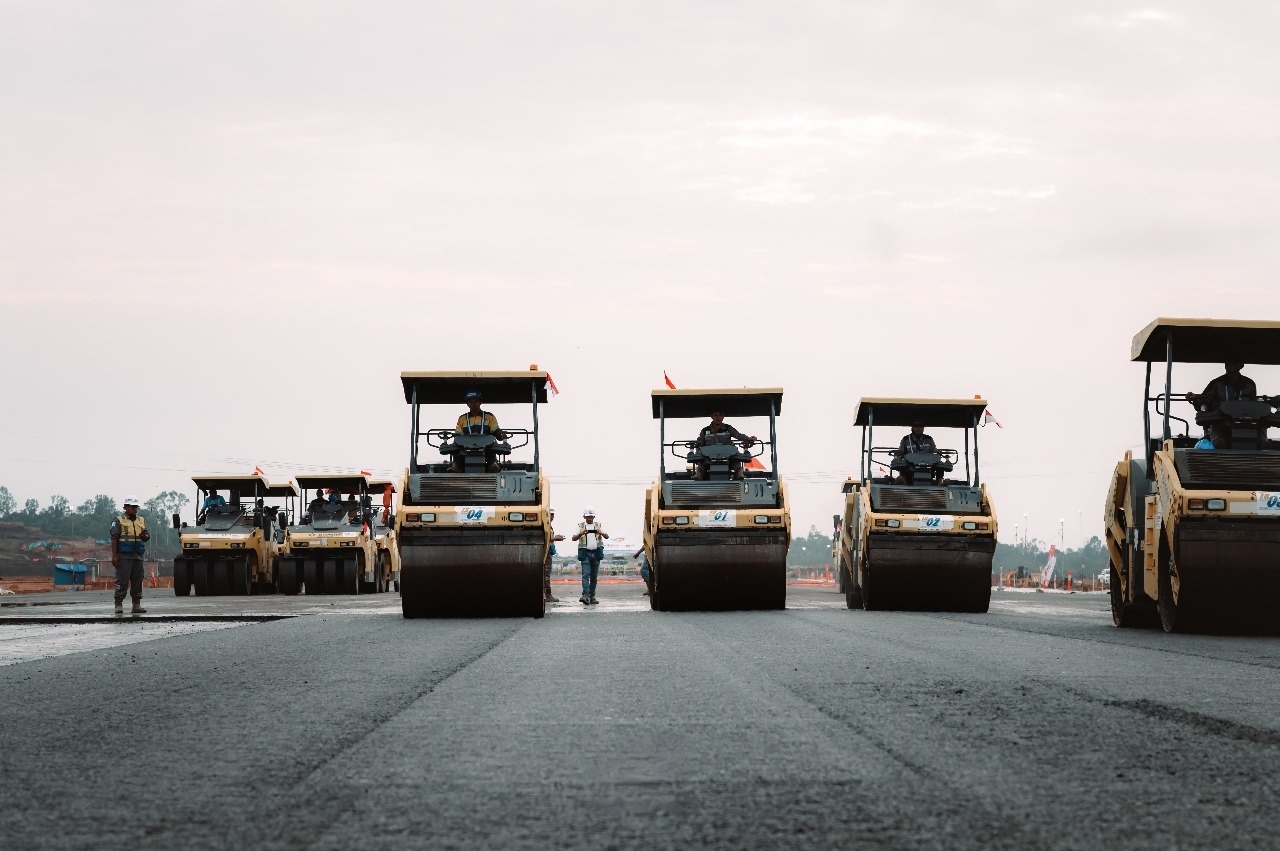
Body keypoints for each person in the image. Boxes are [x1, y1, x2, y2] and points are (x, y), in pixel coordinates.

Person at [1187, 363, 1258, 447]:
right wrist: (1195, 398)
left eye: (1233, 365)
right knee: (1214, 425)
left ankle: (1263, 443)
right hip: (1221, 422)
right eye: (1228, 364)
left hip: (1244, 423)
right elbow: (1204, 401)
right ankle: (1218, 442)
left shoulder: (1250, 384)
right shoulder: (1216, 383)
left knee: (1260, 424)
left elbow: (1254, 406)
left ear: (1240, 366)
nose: (1230, 368)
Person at [110, 496, 150, 615]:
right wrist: (114, 555)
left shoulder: (141, 520)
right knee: (122, 580)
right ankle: (118, 604)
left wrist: (145, 536)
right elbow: (114, 539)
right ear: (126, 507)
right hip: (124, 555)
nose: (135, 509)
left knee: (137, 580)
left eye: (136, 507)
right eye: (132, 507)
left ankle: (136, 605)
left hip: (138, 555)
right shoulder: (118, 520)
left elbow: (146, 536)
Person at [452, 390, 508, 472]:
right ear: (467, 404)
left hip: (486, 448)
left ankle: (493, 465)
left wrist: (500, 435)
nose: (473, 404)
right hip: (466, 448)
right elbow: (458, 435)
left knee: (491, 450)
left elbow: (495, 430)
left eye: (476, 401)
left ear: (480, 402)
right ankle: (455, 467)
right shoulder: (462, 418)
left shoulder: (489, 416)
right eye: (471, 402)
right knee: (457, 450)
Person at [693, 411, 757, 480]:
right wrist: (697, 455)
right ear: (712, 416)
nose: (718, 417)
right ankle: (698, 475)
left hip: (729, 457)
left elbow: (738, 435)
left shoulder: (728, 428)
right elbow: (699, 444)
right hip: (709, 458)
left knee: (736, 461)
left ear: (723, 417)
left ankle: (739, 474)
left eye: (720, 415)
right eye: (716, 415)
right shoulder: (705, 431)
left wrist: (748, 438)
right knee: (701, 464)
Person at [572, 507, 609, 605]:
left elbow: (607, 536)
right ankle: (586, 595)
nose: (589, 519)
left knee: (594, 577)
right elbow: (573, 538)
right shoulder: (580, 526)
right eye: (588, 517)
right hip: (586, 554)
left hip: (596, 553)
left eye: (591, 517)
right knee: (585, 575)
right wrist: (581, 533)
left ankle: (592, 596)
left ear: (594, 517)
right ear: (584, 517)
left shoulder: (598, 526)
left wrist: (600, 532)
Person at [544, 508, 566, 603]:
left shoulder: (549, 526)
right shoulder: (545, 525)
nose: (552, 517)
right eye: (550, 514)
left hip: (548, 551)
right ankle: (547, 595)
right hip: (545, 551)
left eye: (553, 515)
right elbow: (545, 538)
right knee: (546, 573)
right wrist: (555, 538)